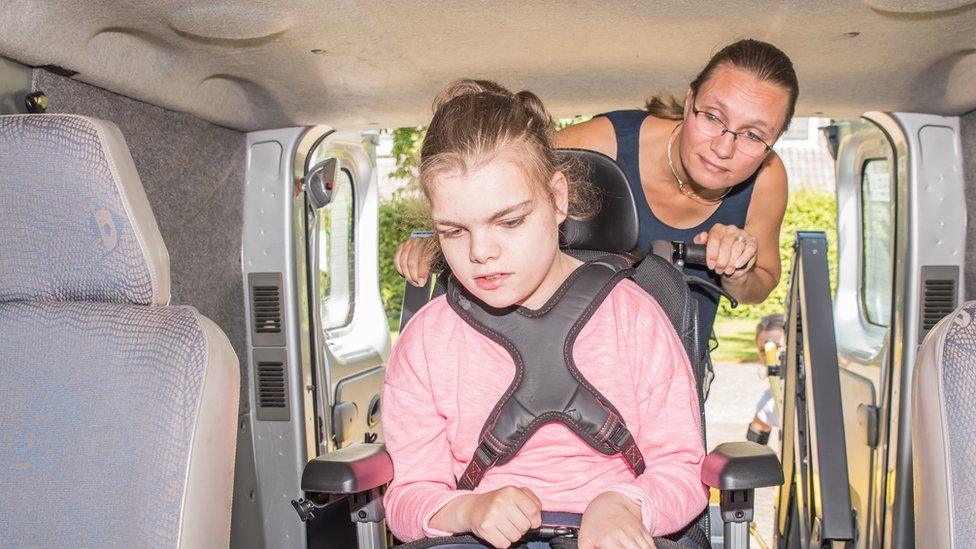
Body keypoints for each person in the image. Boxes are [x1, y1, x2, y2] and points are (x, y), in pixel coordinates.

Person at [382, 79, 708, 549]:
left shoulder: (635, 318)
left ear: (558, 198)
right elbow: (409, 496)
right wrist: (468, 509)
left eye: (509, 221)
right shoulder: (424, 344)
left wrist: (625, 503)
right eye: (453, 231)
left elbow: (685, 468)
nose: (481, 253)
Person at [395, 39, 798, 357]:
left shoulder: (767, 177)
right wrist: (441, 241)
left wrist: (738, 269)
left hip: (676, 355)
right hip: (567, 346)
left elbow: (759, 286)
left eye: (752, 135)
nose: (723, 148)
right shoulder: (601, 142)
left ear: (774, 141)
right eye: (712, 117)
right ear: (690, 101)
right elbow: (498, 181)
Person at [746, 314, 785, 445]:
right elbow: (753, 445)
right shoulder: (771, 399)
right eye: (764, 351)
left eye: (777, 347)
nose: (771, 357)